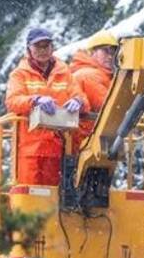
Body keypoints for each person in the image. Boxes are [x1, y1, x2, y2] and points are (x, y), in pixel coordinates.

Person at [5, 26, 86, 186]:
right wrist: (34, 100)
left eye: (46, 46)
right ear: (29, 48)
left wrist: (79, 102)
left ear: (52, 47)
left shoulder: (65, 73)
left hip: (57, 148)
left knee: (53, 198)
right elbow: (12, 101)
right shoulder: (19, 74)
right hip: (30, 149)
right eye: (38, 46)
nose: (43, 50)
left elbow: (81, 97)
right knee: (30, 197)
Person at [69, 30, 118, 144]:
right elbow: (108, 106)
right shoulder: (89, 75)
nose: (110, 56)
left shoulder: (102, 75)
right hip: (86, 139)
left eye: (113, 52)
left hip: (90, 137)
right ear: (92, 52)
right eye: (105, 51)